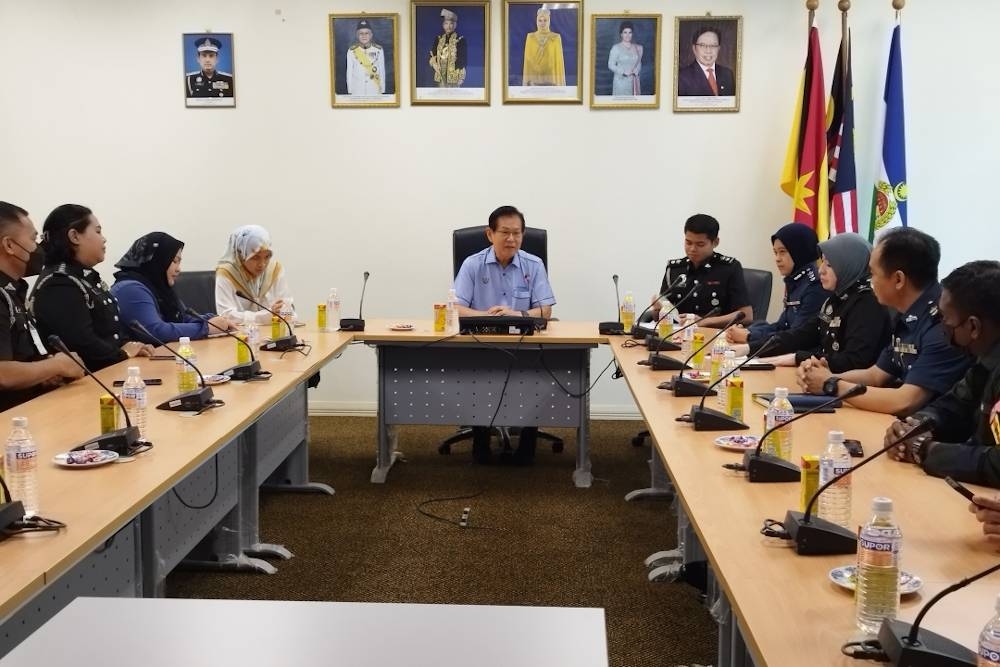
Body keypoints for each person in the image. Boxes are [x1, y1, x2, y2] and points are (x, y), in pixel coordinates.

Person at [799, 228, 970, 416]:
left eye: (873, 274)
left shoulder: (944, 323)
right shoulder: (908, 314)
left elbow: (905, 401)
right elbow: (875, 375)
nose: (870, 282)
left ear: (898, 279)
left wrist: (831, 385)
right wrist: (826, 377)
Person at [453, 205, 556, 465]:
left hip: (525, 346)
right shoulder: (473, 264)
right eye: (505, 232)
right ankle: (480, 441)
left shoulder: (533, 265)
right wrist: (488, 317)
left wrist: (515, 314)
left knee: (535, 380)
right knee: (477, 380)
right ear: (490, 234)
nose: (511, 239)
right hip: (481, 344)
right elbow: (456, 308)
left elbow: (545, 310)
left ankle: (527, 445)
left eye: (517, 233)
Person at [887, 260, 1000, 488]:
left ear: (973, 327)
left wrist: (925, 449)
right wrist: (915, 427)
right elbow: (953, 406)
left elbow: (997, 465)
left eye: (945, 320)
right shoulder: (985, 359)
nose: (942, 329)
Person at [733, 233, 890, 371]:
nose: (821, 270)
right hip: (827, 381)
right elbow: (801, 335)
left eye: (829, 265)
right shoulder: (836, 299)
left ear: (849, 266)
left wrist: (797, 358)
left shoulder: (867, 304)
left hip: (855, 389)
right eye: (822, 262)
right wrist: (748, 349)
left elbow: (854, 361)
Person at [28, 204, 153, 372]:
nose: (104, 239)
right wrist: (122, 354)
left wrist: (132, 346)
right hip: (85, 379)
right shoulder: (59, 283)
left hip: (107, 371)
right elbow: (81, 344)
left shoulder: (83, 277)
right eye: (98, 231)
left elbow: (109, 331)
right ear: (74, 236)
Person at [0, 202, 84, 412]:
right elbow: (2, 374)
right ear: (9, 245)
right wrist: (56, 365)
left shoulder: (13, 291)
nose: (38, 248)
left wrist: (44, 374)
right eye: (33, 239)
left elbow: (20, 358)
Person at [112, 232, 231, 343]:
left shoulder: (159, 287)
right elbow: (156, 331)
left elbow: (184, 318)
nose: (179, 269)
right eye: (174, 261)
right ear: (157, 261)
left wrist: (215, 320)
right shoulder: (130, 289)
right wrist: (207, 328)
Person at [727, 223, 829, 347]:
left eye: (782, 252)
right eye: (775, 253)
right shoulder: (796, 281)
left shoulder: (816, 286)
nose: (777, 259)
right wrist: (748, 331)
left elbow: (796, 337)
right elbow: (781, 326)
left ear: (799, 251)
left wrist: (749, 337)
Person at [651, 214, 752, 329]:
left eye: (700, 244)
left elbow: (747, 315)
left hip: (716, 334)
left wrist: (705, 321)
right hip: (678, 333)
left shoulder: (729, 268)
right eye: (688, 243)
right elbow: (662, 315)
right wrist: (657, 310)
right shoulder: (675, 269)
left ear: (715, 242)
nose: (692, 249)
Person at [216, 225, 294, 325]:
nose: (262, 264)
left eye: (267, 257)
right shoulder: (226, 273)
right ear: (241, 254)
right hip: (240, 333)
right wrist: (266, 316)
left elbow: (288, 309)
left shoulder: (274, 269)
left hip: (272, 331)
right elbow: (226, 316)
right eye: (255, 257)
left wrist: (284, 312)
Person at [676, 26, 735, 97]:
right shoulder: (682, 77)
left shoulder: (727, 74)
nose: (708, 51)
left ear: (719, 48)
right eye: (702, 45)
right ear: (694, 49)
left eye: (713, 45)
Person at [521, 8, 565, 86]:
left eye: (545, 20)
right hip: (534, 79)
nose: (542, 23)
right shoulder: (530, 37)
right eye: (540, 20)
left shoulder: (556, 37)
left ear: (549, 21)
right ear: (536, 21)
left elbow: (558, 62)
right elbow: (528, 61)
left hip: (551, 79)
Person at [346, 20, 386, 95]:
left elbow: (382, 71)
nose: (364, 36)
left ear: (371, 35)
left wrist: (382, 90)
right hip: (357, 90)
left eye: (367, 33)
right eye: (361, 33)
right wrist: (350, 91)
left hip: (374, 90)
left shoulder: (378, 50)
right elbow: (349, 73)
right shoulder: (352, 51)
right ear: (357, 35)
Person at [428, 8, 466, 87]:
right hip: (440, 75)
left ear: (455, 25)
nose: (448, 26)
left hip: (455, 77)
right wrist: (434, 64)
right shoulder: (439, 39)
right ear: (443, 25)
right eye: (446, 23)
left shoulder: (460, 40)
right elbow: (432, 55)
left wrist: (461, 77)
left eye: (451, 23)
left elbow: (463, 60)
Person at [607, 21, 643, 96]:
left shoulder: (637, 48)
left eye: (630, 32)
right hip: (621, 82)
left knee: (634, 102)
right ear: (621, 34)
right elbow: (610, 64)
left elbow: (639, 62)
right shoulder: (616, 48)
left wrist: (636, 70)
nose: (627, 35)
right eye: (625, 32)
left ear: (632, 34)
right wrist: (623, 72)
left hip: (634, 81)